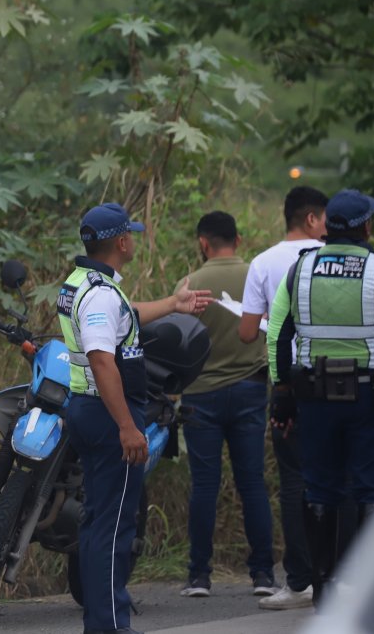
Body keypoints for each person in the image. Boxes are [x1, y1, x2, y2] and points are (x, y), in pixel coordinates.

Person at [57, 203, 212, 634]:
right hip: (109, 415)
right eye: (132, 236)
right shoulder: (101, 294)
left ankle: (100, 621)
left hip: (87, 408)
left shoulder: (82, 283)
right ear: (122, 242)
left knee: (96, 521)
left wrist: (174, 304)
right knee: (114, 527)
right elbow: (102, 359)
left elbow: (124, 315)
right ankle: (110, 624)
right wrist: (128, 426)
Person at [267, 189, 374, 605]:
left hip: (315, 397)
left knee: (320, 489)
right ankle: (371, 591)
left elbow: (277, 333)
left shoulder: (300, 270)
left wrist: (281, 393)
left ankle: (323, 589)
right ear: (366, 227)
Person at [176, 212, 276, 599]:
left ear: (203, 243)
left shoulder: (189, 284)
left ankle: (199, 576)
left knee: (204, 485)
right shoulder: (257, 275)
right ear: (238, 239)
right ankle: (263, 575)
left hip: (201, 393)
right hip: (251, 389)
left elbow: (179, 340)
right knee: (252, 483)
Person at [238, 185, 328, 611]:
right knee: (340, 478)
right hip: (339, 382)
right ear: (311, 218)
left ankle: (299, 582)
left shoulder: (263, 262)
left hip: (288, 383)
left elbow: (246, 332)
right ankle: (341, 577)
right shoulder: (335, 258)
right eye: (324, 218)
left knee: (293, 482)